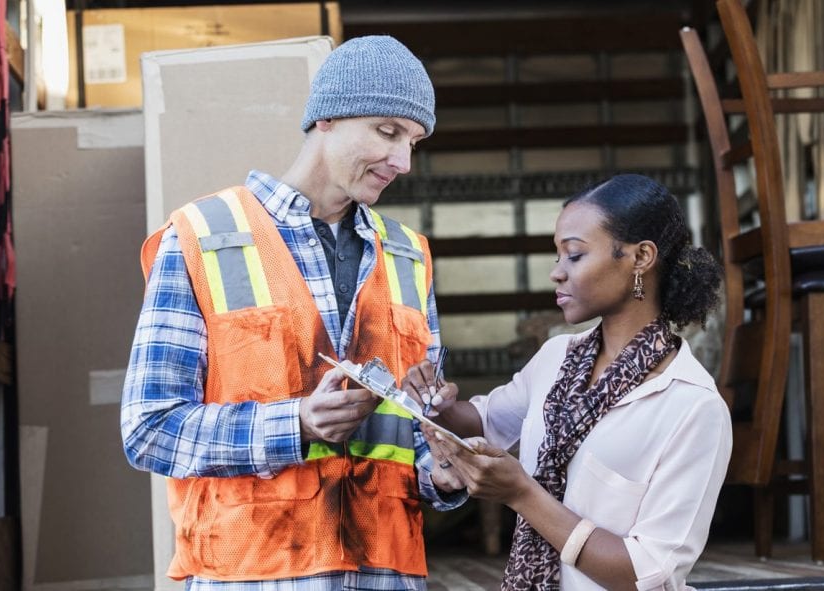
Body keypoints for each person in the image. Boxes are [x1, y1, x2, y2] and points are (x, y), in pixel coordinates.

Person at [121, 35, 464, 590]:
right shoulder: (203, 237)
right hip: (252, 573)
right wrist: (297, 423)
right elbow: (150, 429)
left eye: (414, 142)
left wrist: (442, 471)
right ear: (327, 118)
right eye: (388, 131)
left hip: (386, 573)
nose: (402, 161)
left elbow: (412, 433)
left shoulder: (408, 255)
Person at [405, 174, 732, 590]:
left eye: (574, 255)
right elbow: (485, 423)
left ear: (641, 257)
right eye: (557, 256)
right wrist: (441, 405)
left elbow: (648, 573)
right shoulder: (557, 357)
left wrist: (523, 494)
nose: (555, 273)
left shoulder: (692, 406)